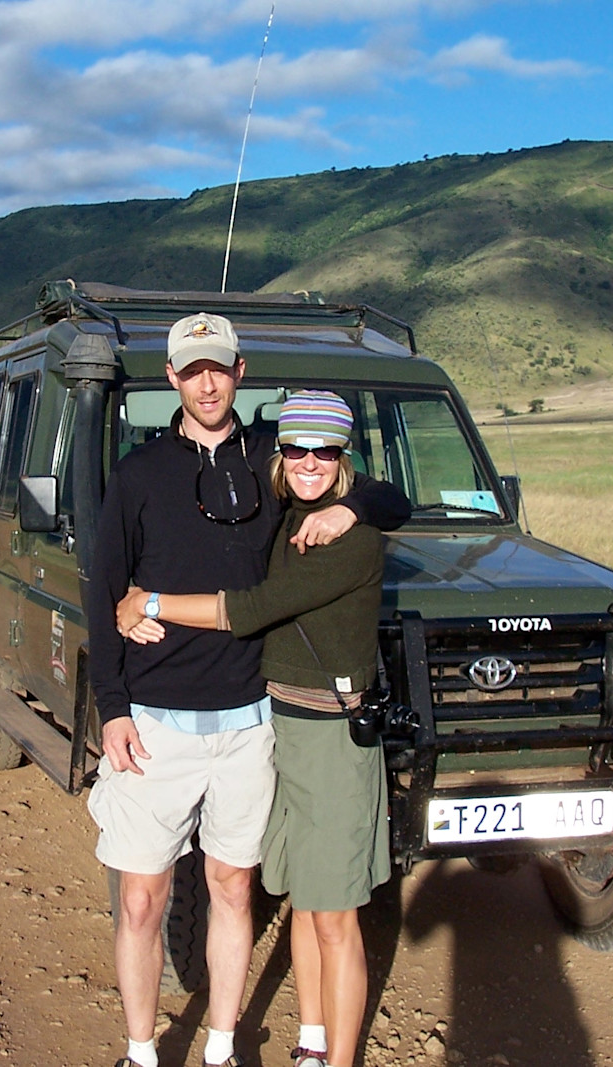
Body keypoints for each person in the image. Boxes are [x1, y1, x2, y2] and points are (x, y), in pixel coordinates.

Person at [86, 316, 408, 1067]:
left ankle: (223, 1045)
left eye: (219, 369)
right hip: (156, 721)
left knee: (234, 887)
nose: (206, 383)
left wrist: (348, 507)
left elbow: (387, 495)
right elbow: (104, 593)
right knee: (141, 898)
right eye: (191, 370)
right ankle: (139, 1051)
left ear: (240, 371)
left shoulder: (277, 456)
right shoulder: (138, 475)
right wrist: (111, 708)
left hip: (251, 720)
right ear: (170, 377)